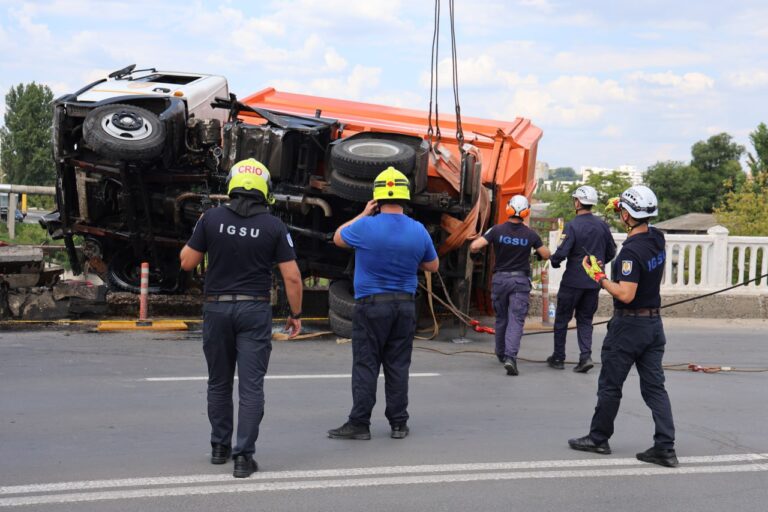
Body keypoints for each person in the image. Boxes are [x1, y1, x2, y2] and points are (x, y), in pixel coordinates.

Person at [180, 158, 303, 478]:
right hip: (254, 310)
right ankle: (243, 458)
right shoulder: (275, 226)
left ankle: (219, 447)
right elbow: (292, 277)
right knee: (251, 387)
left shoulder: (210, 219)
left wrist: (200, 236)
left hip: (217, 309)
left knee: (218, 382)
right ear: (264, 189)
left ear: (233, 185)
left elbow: (187, 263)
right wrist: (296, 314)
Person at [568, 185, 678, 468]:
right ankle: (665, 448)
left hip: (629, 326)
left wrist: (599, 277)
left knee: (610, 385)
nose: (619, 214)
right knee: (655, 388)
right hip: (654, 325)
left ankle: (598, 438)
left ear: (628, 215)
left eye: (621, 211)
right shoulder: (657, 238)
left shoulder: (631, 253)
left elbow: (626, 294)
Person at [327, 166, 439, 441]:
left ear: (376, 197)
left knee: (366, 364)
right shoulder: (418, 230)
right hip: (404, 307)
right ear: (405, 196)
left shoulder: (365, 226)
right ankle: (399, 424)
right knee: (398, 366)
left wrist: (364, 213)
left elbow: (338, 237)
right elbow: (432, 266)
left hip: (372, 306)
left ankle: (360, 424)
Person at [469, 195, 550, 376]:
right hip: (519, 282)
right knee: (516, 319)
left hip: (500, 281)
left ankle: (500, 353)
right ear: (526, 211)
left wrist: (476, 253)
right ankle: (510, 357)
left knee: (501, 319)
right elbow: (546, 254)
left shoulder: (497, 230)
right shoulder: (530, 234)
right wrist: (539, 252)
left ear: (509, 209)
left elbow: (475, 245)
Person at [547, 185, 616, 373]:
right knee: (585, 319)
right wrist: (596, 268)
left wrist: (554, 261)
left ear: (577, 202)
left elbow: (562, 251)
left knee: (562, 319)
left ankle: (559, 358)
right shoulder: (602, 225)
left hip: (572, 282)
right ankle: (585, 356)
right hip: (594, 283)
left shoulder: (573, 225)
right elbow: (611, 252)